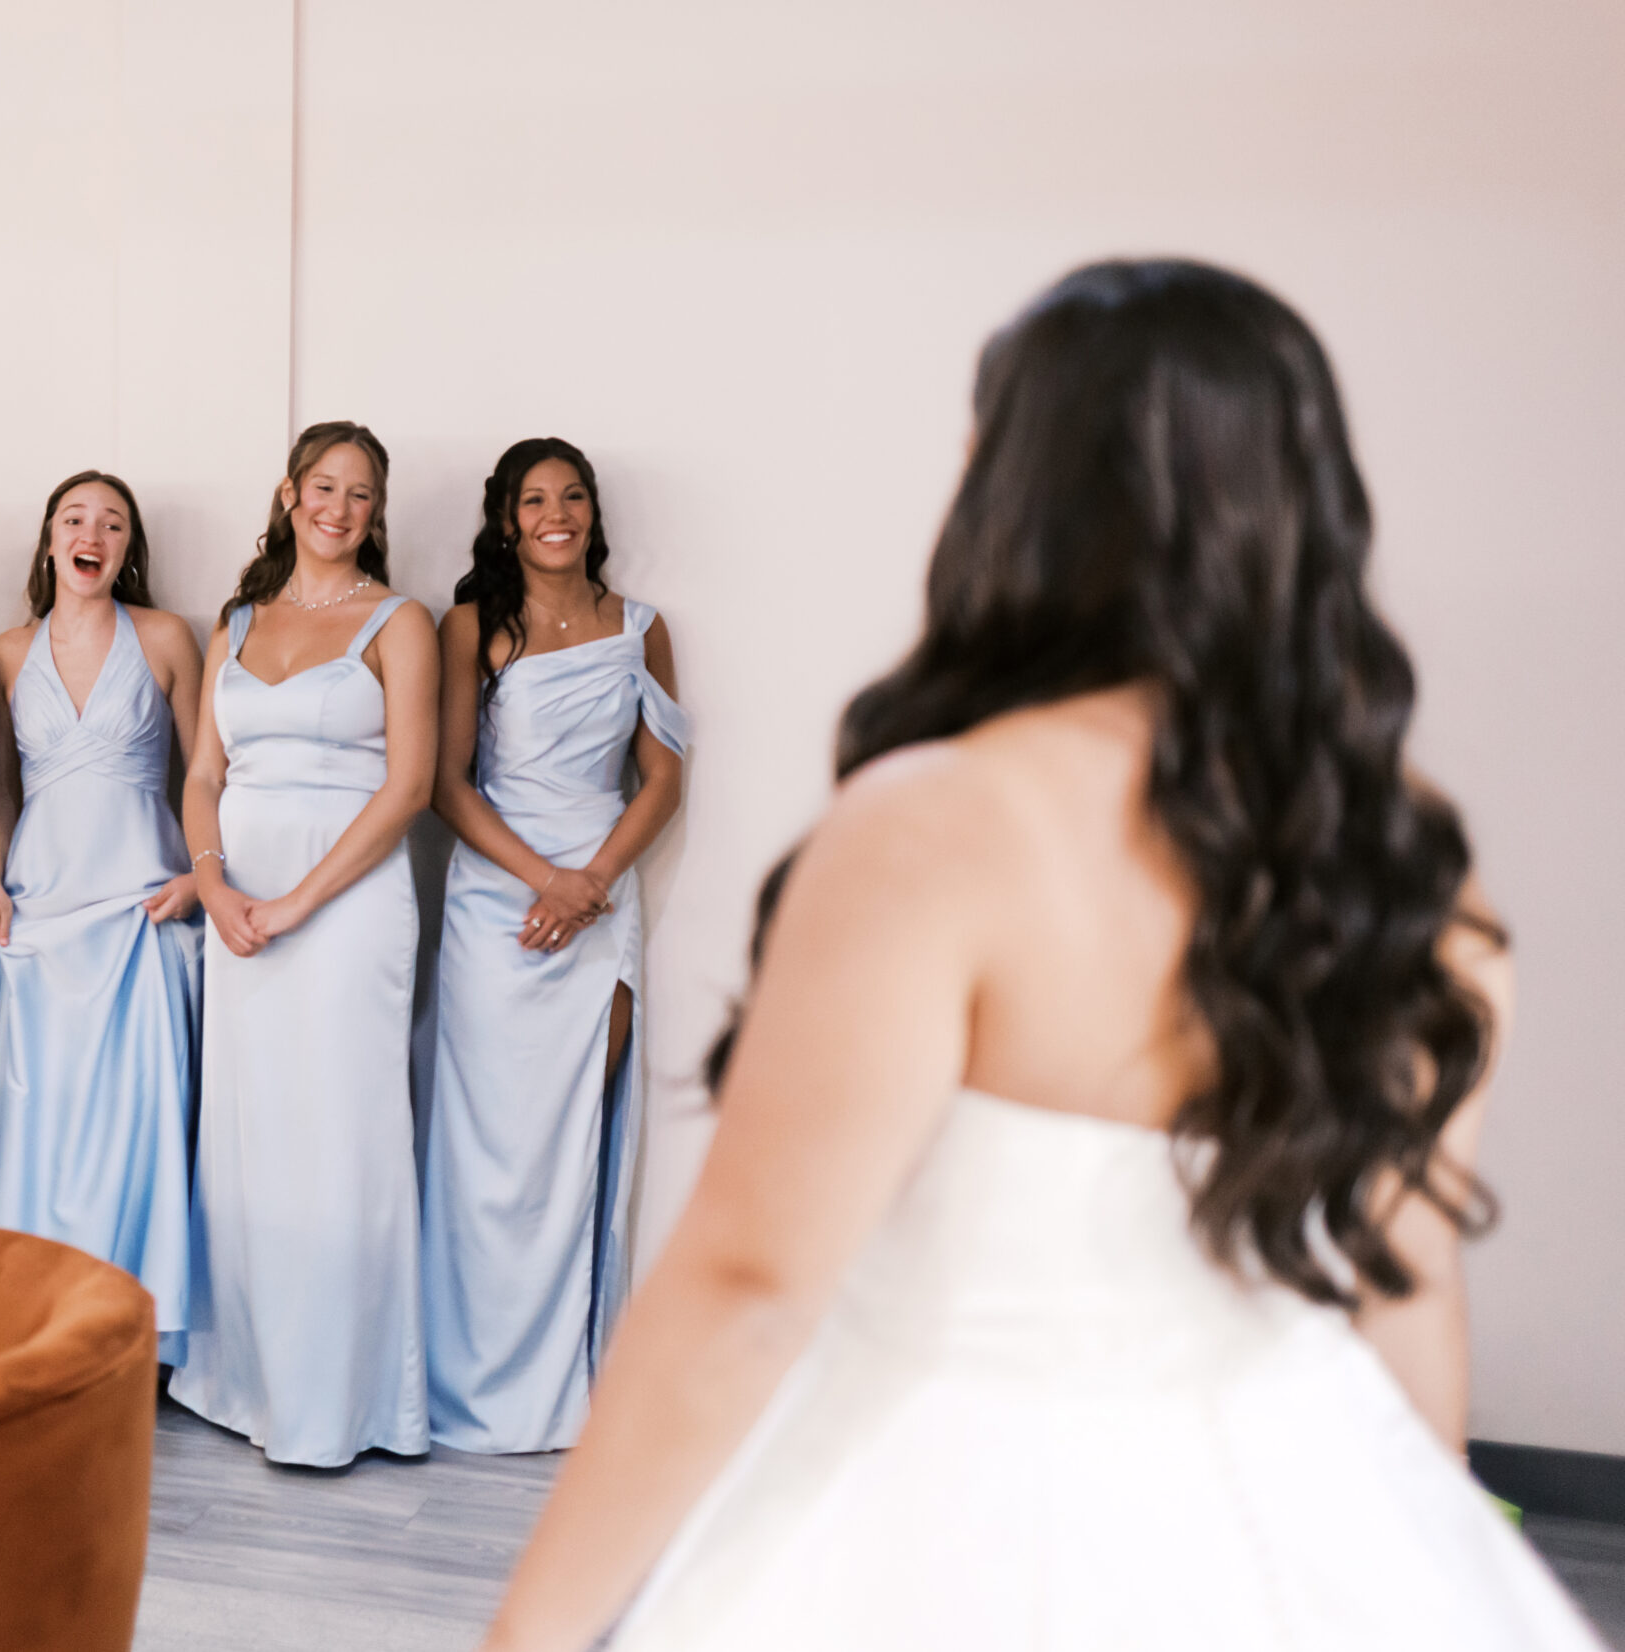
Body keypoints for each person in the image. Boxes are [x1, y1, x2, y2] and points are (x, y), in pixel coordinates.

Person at [483, 260, 1603, 1651]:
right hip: (1299, 1528)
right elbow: (1408, 1290)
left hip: (943, 1533)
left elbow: (748, 1292)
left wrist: (522, 1642)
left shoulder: (939, 822)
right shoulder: (1410, 855)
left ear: (1021, 490)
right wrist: (1416, 1563)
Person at [170, 421, 438, 1466]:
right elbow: (202, 776)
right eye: (323, 486)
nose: (338, 506)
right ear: (288, 494)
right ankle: (249, 1381)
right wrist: (213, 882)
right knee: (252, 1135)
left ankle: (342, 1399)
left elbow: (408, 786)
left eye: (359, 494)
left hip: (350, 908)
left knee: (339, 1137)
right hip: (239, 912)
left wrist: (294, 904)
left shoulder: (400, 621)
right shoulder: (234, 623)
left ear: (375, 513)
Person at [421, 438, 686, 1455]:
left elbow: (661, 778)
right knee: (488, 1146)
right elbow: (448, 783)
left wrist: (594, 882)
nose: (555, 512)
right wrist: (548, 880)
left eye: (571, 495)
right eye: (534, 499)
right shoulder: (467, 626)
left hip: (597, 902)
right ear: (505, 519)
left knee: (574, 1136)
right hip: (498, 902)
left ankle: (559, 1388)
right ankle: (469, 1379)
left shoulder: (641, 629)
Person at [0, 471, 206, 1360]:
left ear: (127, 550)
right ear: (48, 540)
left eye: (112, 525)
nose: (93, 534)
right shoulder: (4, 651)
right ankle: (42, 1328)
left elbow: (206, 772)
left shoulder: (165, 638)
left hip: (143, 909)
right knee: (42, 1126)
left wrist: (202, 877)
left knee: (139, 1128)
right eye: (75, 519)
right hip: (38, 913)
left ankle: (135, 1339)